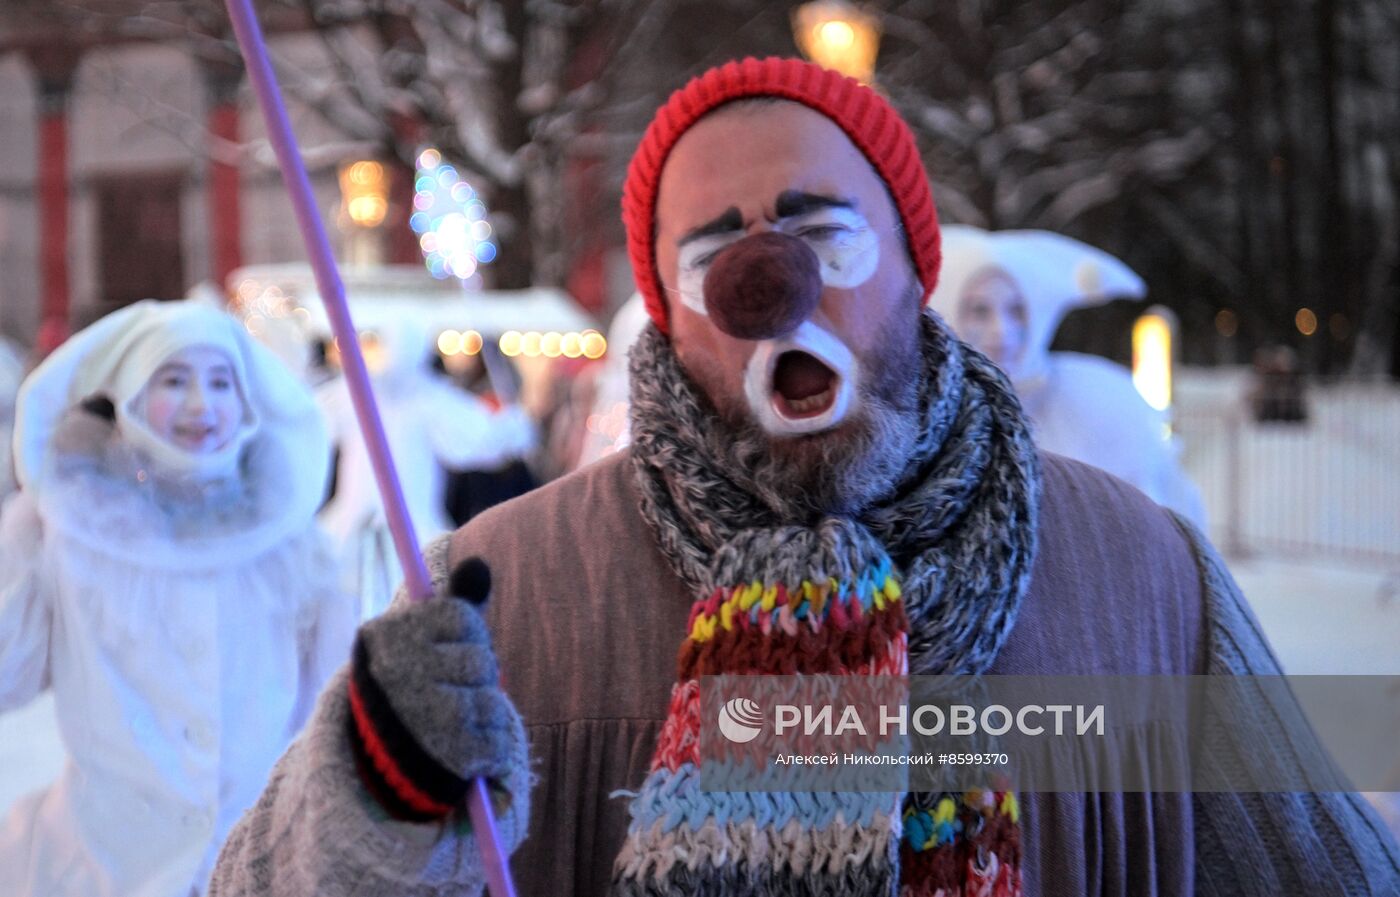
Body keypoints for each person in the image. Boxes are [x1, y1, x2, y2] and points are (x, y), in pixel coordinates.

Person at [211, 58, 1400, 896]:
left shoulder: (1143, 577)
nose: (765, 283)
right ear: (669, 323)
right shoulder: (498, 592)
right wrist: (371, 809)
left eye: (821, 234)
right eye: (709, 254)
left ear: (912, 269)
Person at [0, 300, 357, 896]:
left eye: (221, 382)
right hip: (101, 862)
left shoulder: (289, 545)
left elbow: (338, 692)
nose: (201, 405)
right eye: (173, 380)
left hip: (260, 855)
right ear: (130, 395)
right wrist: (18, 556)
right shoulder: (68, 532)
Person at [929, 224, 1207, 526]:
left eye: (1017, 310)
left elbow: (1162, 520)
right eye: (980, 311)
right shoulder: (924, 413)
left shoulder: (1102, 401)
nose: (1002, 332)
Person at [316, 312, 536, 618]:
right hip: (374, 522)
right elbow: (478, 439)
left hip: (396, 523)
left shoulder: (373, 393)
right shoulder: (374, 393)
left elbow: (476, 439)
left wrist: (510, 431)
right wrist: (511, 430)